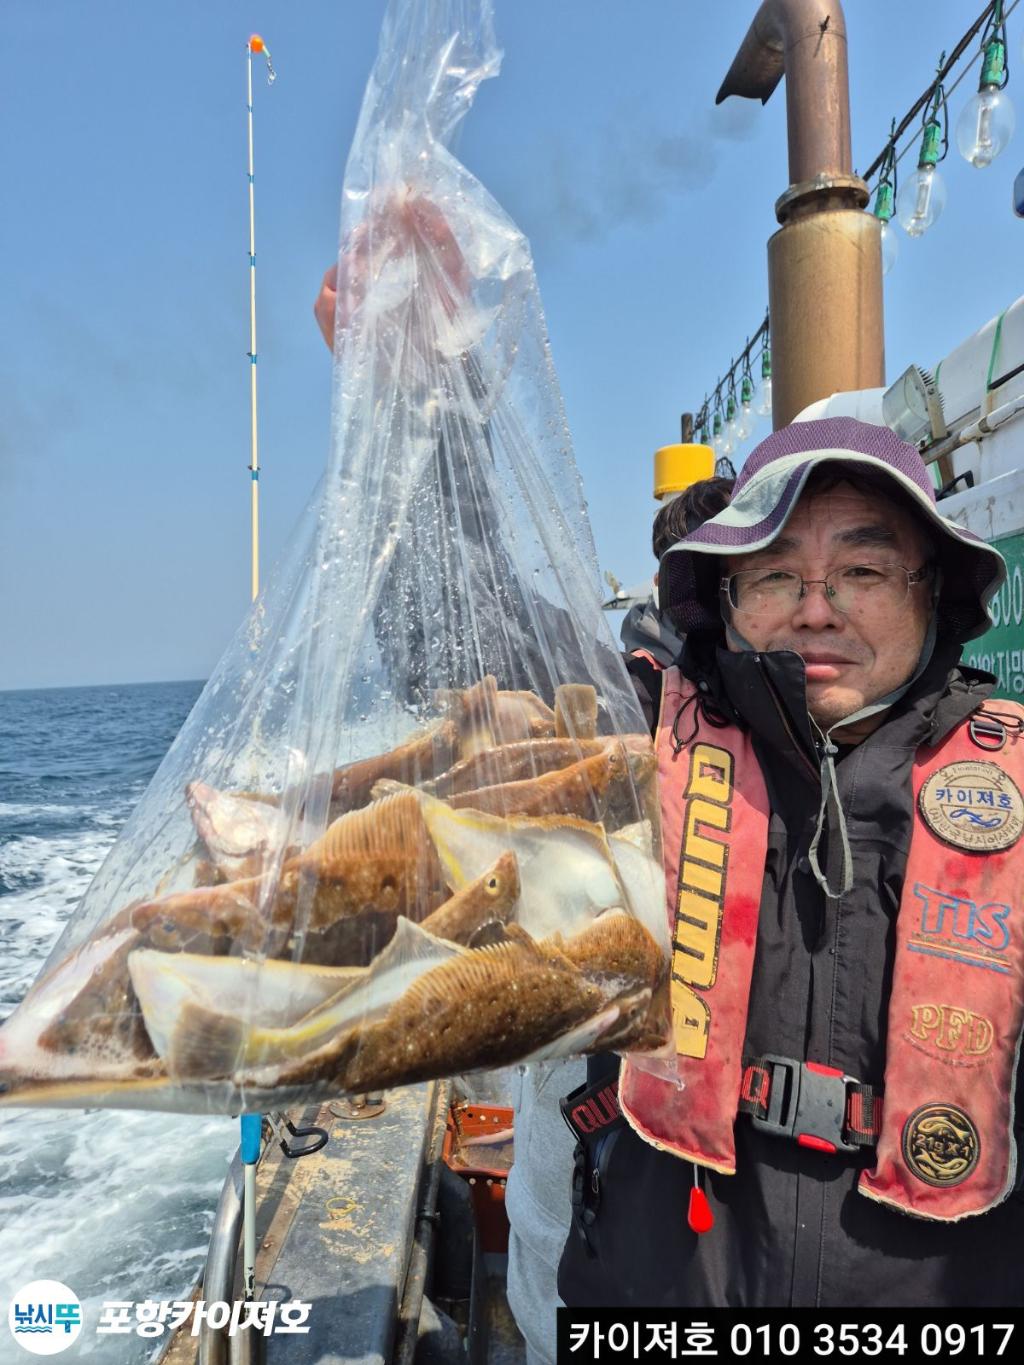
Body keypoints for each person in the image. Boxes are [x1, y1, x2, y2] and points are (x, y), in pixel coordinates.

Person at [558, 415, 1024, 1309]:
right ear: (727, 600)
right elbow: (466, 637)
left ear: (934, 592)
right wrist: (428, 396)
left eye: (863, 570)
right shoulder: (640, 744)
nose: (817, 607)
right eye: (776, 574)